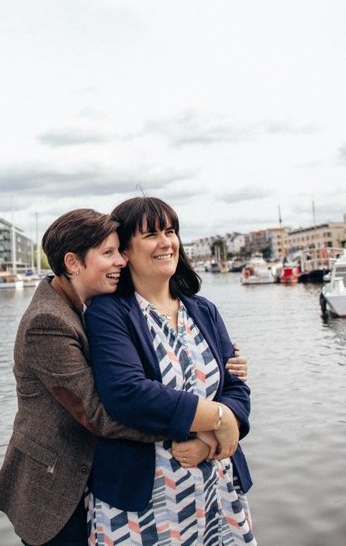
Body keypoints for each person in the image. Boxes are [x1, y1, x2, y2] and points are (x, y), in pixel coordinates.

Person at [0, 209, 248, 546]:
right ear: (73, 263)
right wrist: (208, 424)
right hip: (59, 483)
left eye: (120, 251)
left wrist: (222, 405)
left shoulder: (91, 304)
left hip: (113, 477)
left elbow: (221, 379)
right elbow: (100, 414)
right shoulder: (48, 322)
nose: (121, 262)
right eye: (108, 253)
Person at [85, 196, 255, 545]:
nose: (166, 242)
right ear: (125, 252)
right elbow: (128, 394)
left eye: (171, 231)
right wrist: (219, 419)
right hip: (144, 504)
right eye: (151, 235)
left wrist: (213, 437)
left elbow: (236, 388)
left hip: (216, 491)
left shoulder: (203, 311)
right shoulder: (108, 313)